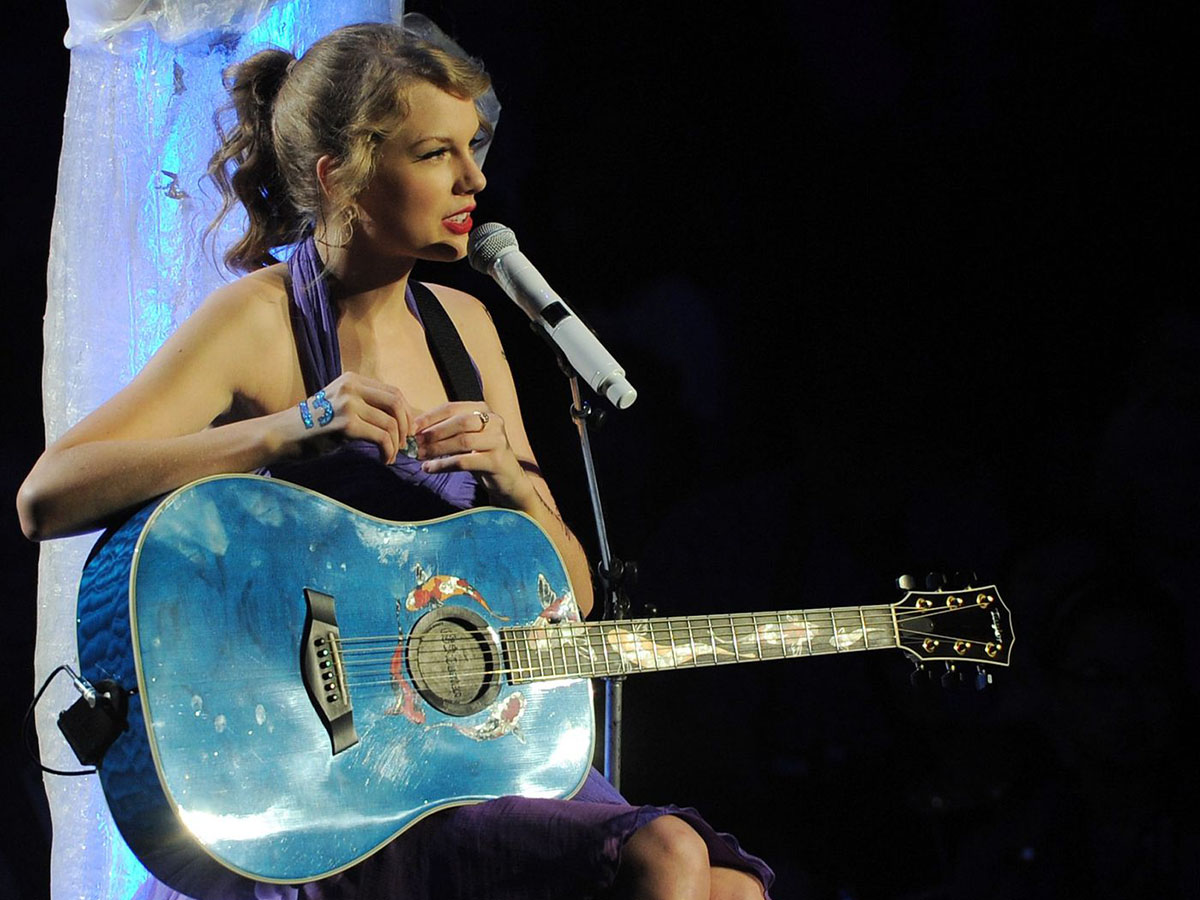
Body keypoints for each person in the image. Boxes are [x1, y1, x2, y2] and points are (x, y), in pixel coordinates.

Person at [18, 16, 772, 900]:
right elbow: (47, 497)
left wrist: (507, 481)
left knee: (734, 890)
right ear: (341, 176)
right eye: (434, 154)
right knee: (669, 856)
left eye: (473, 148)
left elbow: (573, 593)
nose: (475, 179)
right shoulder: (258, 322)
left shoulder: (469, 326)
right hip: (339, 775)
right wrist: (281, 428)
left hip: (467, 742)